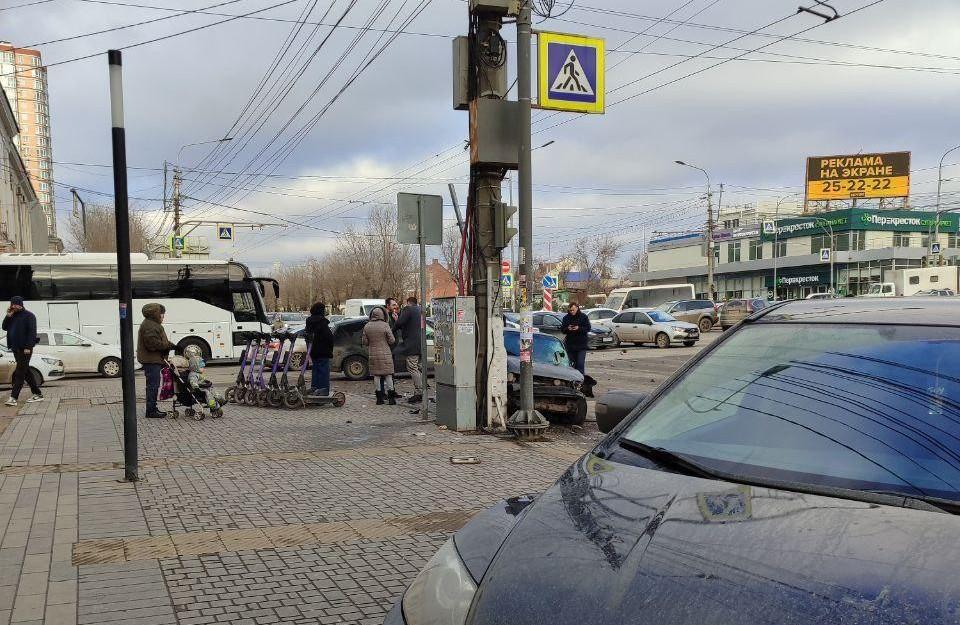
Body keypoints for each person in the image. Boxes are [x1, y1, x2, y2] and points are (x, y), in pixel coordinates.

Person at [137, 303, 177, 418]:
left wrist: (174, 346)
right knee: (153, 386)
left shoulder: (152, 324)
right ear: (155, 314)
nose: (163, 316)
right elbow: (153, 344)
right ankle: (151, 411)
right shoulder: (150, 326)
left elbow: (161, 341)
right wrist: (168, 346)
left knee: (153, 385)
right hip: (151, 361)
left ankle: (152, 409)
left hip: (154, 359)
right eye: (161, 314)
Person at [2, 296, 42, 406]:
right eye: (12, 304)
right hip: (15, 348)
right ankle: (37, 394)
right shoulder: (12, 316)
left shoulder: (29, 316)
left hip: (25, 349)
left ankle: (13, 398)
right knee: (26, 371)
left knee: (19, 372)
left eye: (16, 304)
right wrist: (8, 316)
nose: (14, 306)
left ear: (21, 304)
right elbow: (4, 327)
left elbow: (32, 333)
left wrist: (28, 348)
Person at [361, 307, 396, 405]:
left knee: (376, 375)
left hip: (373, 354)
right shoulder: (385, 325)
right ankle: (391, 398)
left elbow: (364, 341)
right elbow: (392, 340)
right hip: (385, 353)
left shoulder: (367, 326)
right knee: (388, 375)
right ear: (382, 315)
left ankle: (379, 399)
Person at [395, 296, 424, 404]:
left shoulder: (408, 309)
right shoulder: (420, 310)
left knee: (412, 367)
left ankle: (419, 392)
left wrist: (395, 323)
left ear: (408, 303)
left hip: (412, 344)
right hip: (420, 343)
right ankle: (421, 390)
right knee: (418, 367)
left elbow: (399, 323)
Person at [304, 302, 334, 396]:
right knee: (323, 371)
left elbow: (307, 336)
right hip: (323, 350)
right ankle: (323, 390)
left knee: (316, 369)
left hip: (313, 350)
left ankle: (315, 387)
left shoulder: (309, 322)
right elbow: (329, 337)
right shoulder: (322, 322)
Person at [561, 301, 591, 375]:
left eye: (573, 310)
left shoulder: (583, 317)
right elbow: (562, 330)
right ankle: (572, 379)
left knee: (580, 364)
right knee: (571, 364)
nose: (572, 312)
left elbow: (588, 328)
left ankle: (580, 380)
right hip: (570, 345)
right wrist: (568, 328)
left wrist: (578, 328)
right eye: (570, 310)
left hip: (581, 345)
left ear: (577, 308)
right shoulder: (566, 318)